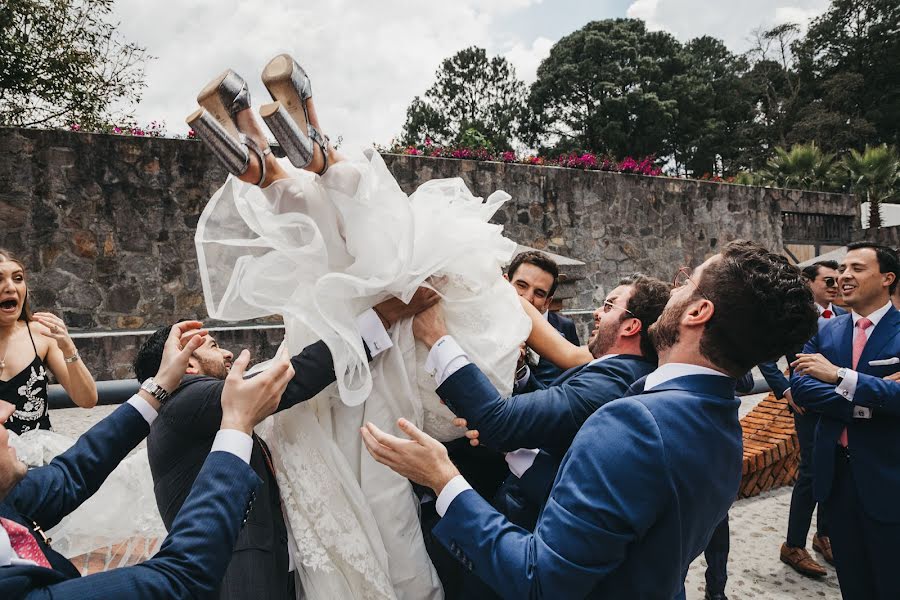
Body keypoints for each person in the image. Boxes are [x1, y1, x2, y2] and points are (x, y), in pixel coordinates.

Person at [188, 56, 530, 599]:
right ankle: (295, 158)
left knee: (371, 263)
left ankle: (276, 157)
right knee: (369, 267)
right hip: (343, 353)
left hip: (324, 348)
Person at [361, 240, 818, 599]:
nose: (673, 289)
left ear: (698, 312)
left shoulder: (633, 424)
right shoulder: (722, 422)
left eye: (686, 282)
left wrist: (443, 479)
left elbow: (538, 579)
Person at [136, 292, 435, 600]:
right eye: (213, 346)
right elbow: (291, 379)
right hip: (241, 582)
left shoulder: (187, 414)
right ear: (187, 365)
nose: (227, 354)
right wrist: (381, 319)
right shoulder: (183, 401)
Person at [0, 320, 296, 599]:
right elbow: (178, 578)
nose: (7, 412)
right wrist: (236, 426)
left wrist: (161, 384)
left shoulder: (8, 500)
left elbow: (70, 473)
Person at [791, 242, 900, 600]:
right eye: (842, 268)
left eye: (857, 268)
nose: (844, 276)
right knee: (852, 582)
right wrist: (869, 398)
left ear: (887, 278)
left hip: (889, 477)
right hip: (835, 478)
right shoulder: (825, 330)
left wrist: (838, 376)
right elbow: (802, 387)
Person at [769, 260, 844, 577]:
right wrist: (786, 391)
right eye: (828, 281)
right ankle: (793, 545)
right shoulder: (796, 317)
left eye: (838, 280)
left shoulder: (842, 316)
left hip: (838, 405)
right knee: (811, 472)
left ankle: (823, 534)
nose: (835, 286)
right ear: (809, 283)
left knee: (835, 466)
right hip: (808, 407)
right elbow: (765, 358)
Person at [0, 249, 97, 435]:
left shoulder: (42, 334)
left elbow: (88, 400)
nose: (10, 287)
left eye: (18, 278)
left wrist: (68, 348)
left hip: (41, 456)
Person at [504, 250, 580, 386]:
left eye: (539, 293)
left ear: (547, 303)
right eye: (521, 285)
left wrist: (521, 370)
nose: (527, 298)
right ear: (505, 283)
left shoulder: (560, 336)